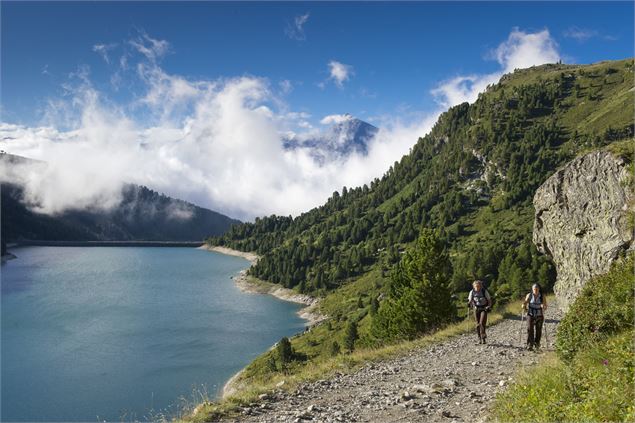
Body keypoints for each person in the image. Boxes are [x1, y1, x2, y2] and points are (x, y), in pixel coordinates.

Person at [523, 283, 547, 351]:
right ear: (532, 289)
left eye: (537, 289)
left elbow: (545, 306)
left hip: (539, 315)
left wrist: (543, 306)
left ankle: (537, 344)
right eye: (534, 289)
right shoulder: (529, 295)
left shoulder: (542, 296)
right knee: (530, 329)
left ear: (539, 289)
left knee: (538, 330)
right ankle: (530, 344)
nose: (535, 290)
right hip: (530, 314)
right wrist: (523, 305)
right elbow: (526, 301)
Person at [467, 280, 492, 344]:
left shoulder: (484, 291)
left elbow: (489, 300)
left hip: (484, 308)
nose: (477, 288)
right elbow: (470, 300)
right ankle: (479, 338)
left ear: (480, 286)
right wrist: (469, 303)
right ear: (474, 286)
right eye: (476, 286)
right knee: (477, 324)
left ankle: (483, 337)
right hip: (476, 308)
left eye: (478, 286)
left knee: (482, 323)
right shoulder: (472, 292)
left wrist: (488, 306)